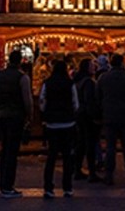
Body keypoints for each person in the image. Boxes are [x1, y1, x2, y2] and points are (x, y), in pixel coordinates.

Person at [0, 50, 33, 198]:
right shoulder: (22, 78)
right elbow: (27, 99)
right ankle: (8, 185)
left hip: (2, 116)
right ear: (20, 61)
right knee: (12, 151)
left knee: (4, 149)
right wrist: (29, 116)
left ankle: (3, 184)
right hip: (16, 116)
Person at [96, 53, 125, 186]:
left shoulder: (103, 78)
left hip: (109, 116)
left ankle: (109, 176)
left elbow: (97, 97)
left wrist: (102, 111)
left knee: (110, 147)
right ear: (122, 63)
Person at [39, 59, 79, 198]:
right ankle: (67, 187)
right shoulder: (70, 83)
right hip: (68, 123)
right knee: (68, 157)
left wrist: (46, 112)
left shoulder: (47, 83)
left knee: (52, 156)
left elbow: (42, 101)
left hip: (52, 124)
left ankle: (48, 188)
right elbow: (75, 103)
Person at [73, 58, 101, 182]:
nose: (94, 67)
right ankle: (92, 172)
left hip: (79, 114)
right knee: (90, 143)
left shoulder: (77, 81)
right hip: (87, 116)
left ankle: (77, 169)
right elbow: (90, 101)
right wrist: (95, 116)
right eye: (91, 65)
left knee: (81, 143)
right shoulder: (89, 82)